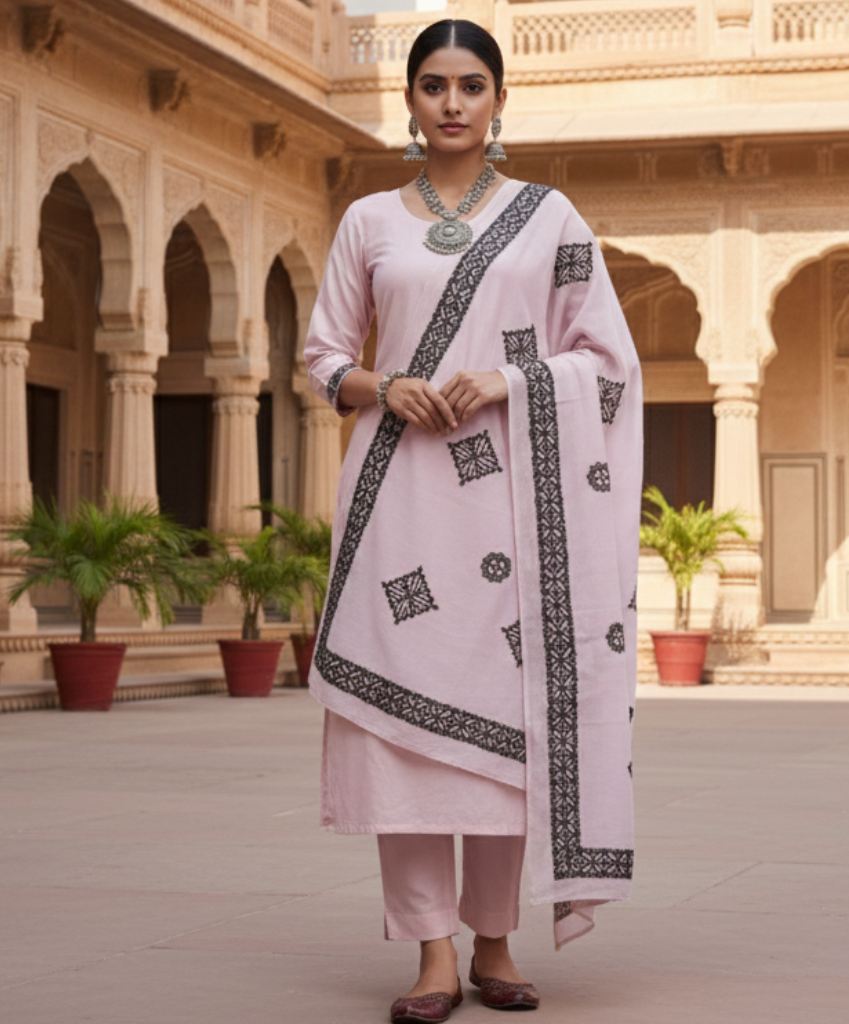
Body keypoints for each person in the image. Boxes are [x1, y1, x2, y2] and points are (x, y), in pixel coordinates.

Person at [304, 19, 642, 1023]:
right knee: (401, 737)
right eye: (433, 85)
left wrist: (511, 377)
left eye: (471, 85)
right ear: (408, 102)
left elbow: (609, 361)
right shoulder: (368, 220)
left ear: (499, 100)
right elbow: (323, 355)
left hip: (513, 507)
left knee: (505, 731)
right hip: (397, 499)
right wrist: (387, 384)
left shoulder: (550, 218)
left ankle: (495, 943)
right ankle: (431, 953)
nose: (452, 102)